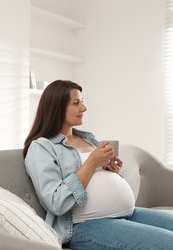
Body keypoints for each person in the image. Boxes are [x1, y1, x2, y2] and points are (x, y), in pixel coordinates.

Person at [24, 79, 173, 250]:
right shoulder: (41, 148)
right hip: (85, 225)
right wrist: (92, 163)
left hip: (128, 213)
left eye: (82, 101)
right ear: (57, 108)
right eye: (76, 103)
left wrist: (113, 172)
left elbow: (98, 182)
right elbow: (56, 202)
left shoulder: (87, 138)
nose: (84, 108)